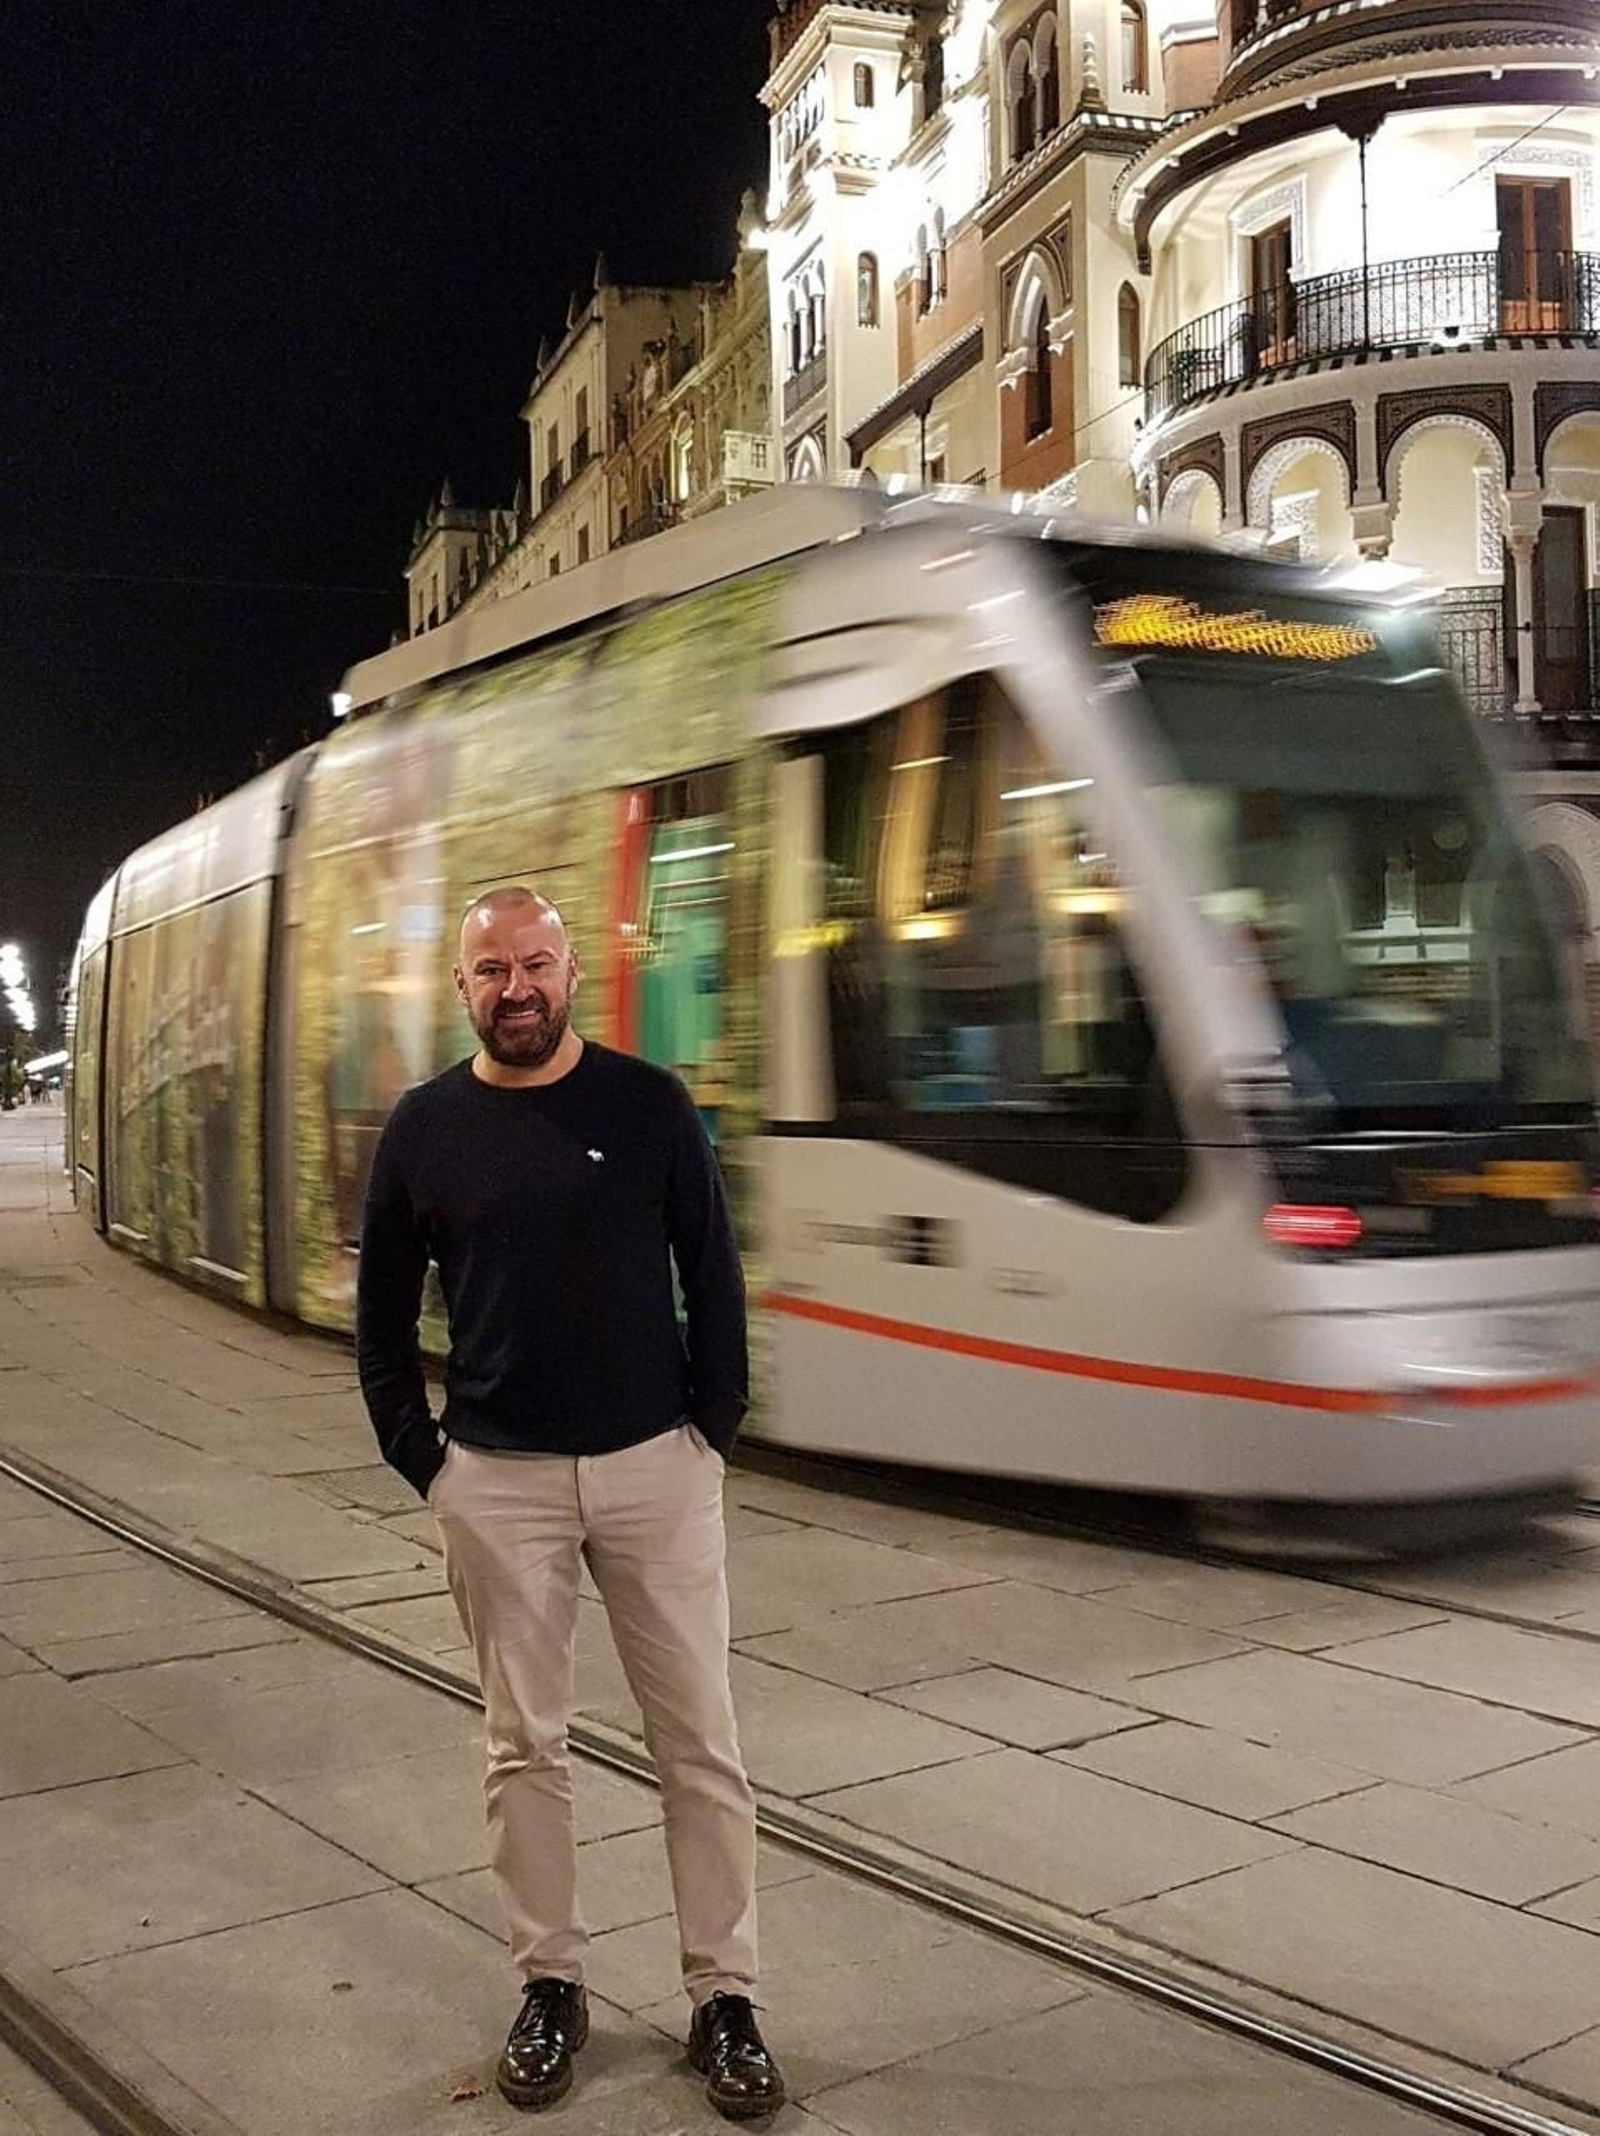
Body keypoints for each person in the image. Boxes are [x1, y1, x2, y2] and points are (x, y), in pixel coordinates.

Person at [356, 886, 783, 2120]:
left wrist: (711, 1433)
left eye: (534, 963)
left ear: (570, 971)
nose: (516, 989)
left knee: (699, 1743)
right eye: (491, 970)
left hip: (657, 1468)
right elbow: (380, 1321)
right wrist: (424, 1460)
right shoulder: (425, 1127)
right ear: (461, 987)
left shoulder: (647, 1105)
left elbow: (712, 1269)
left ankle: (725, 1997)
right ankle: (551, 1983)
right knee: (521, 1745)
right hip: (498, 1480)